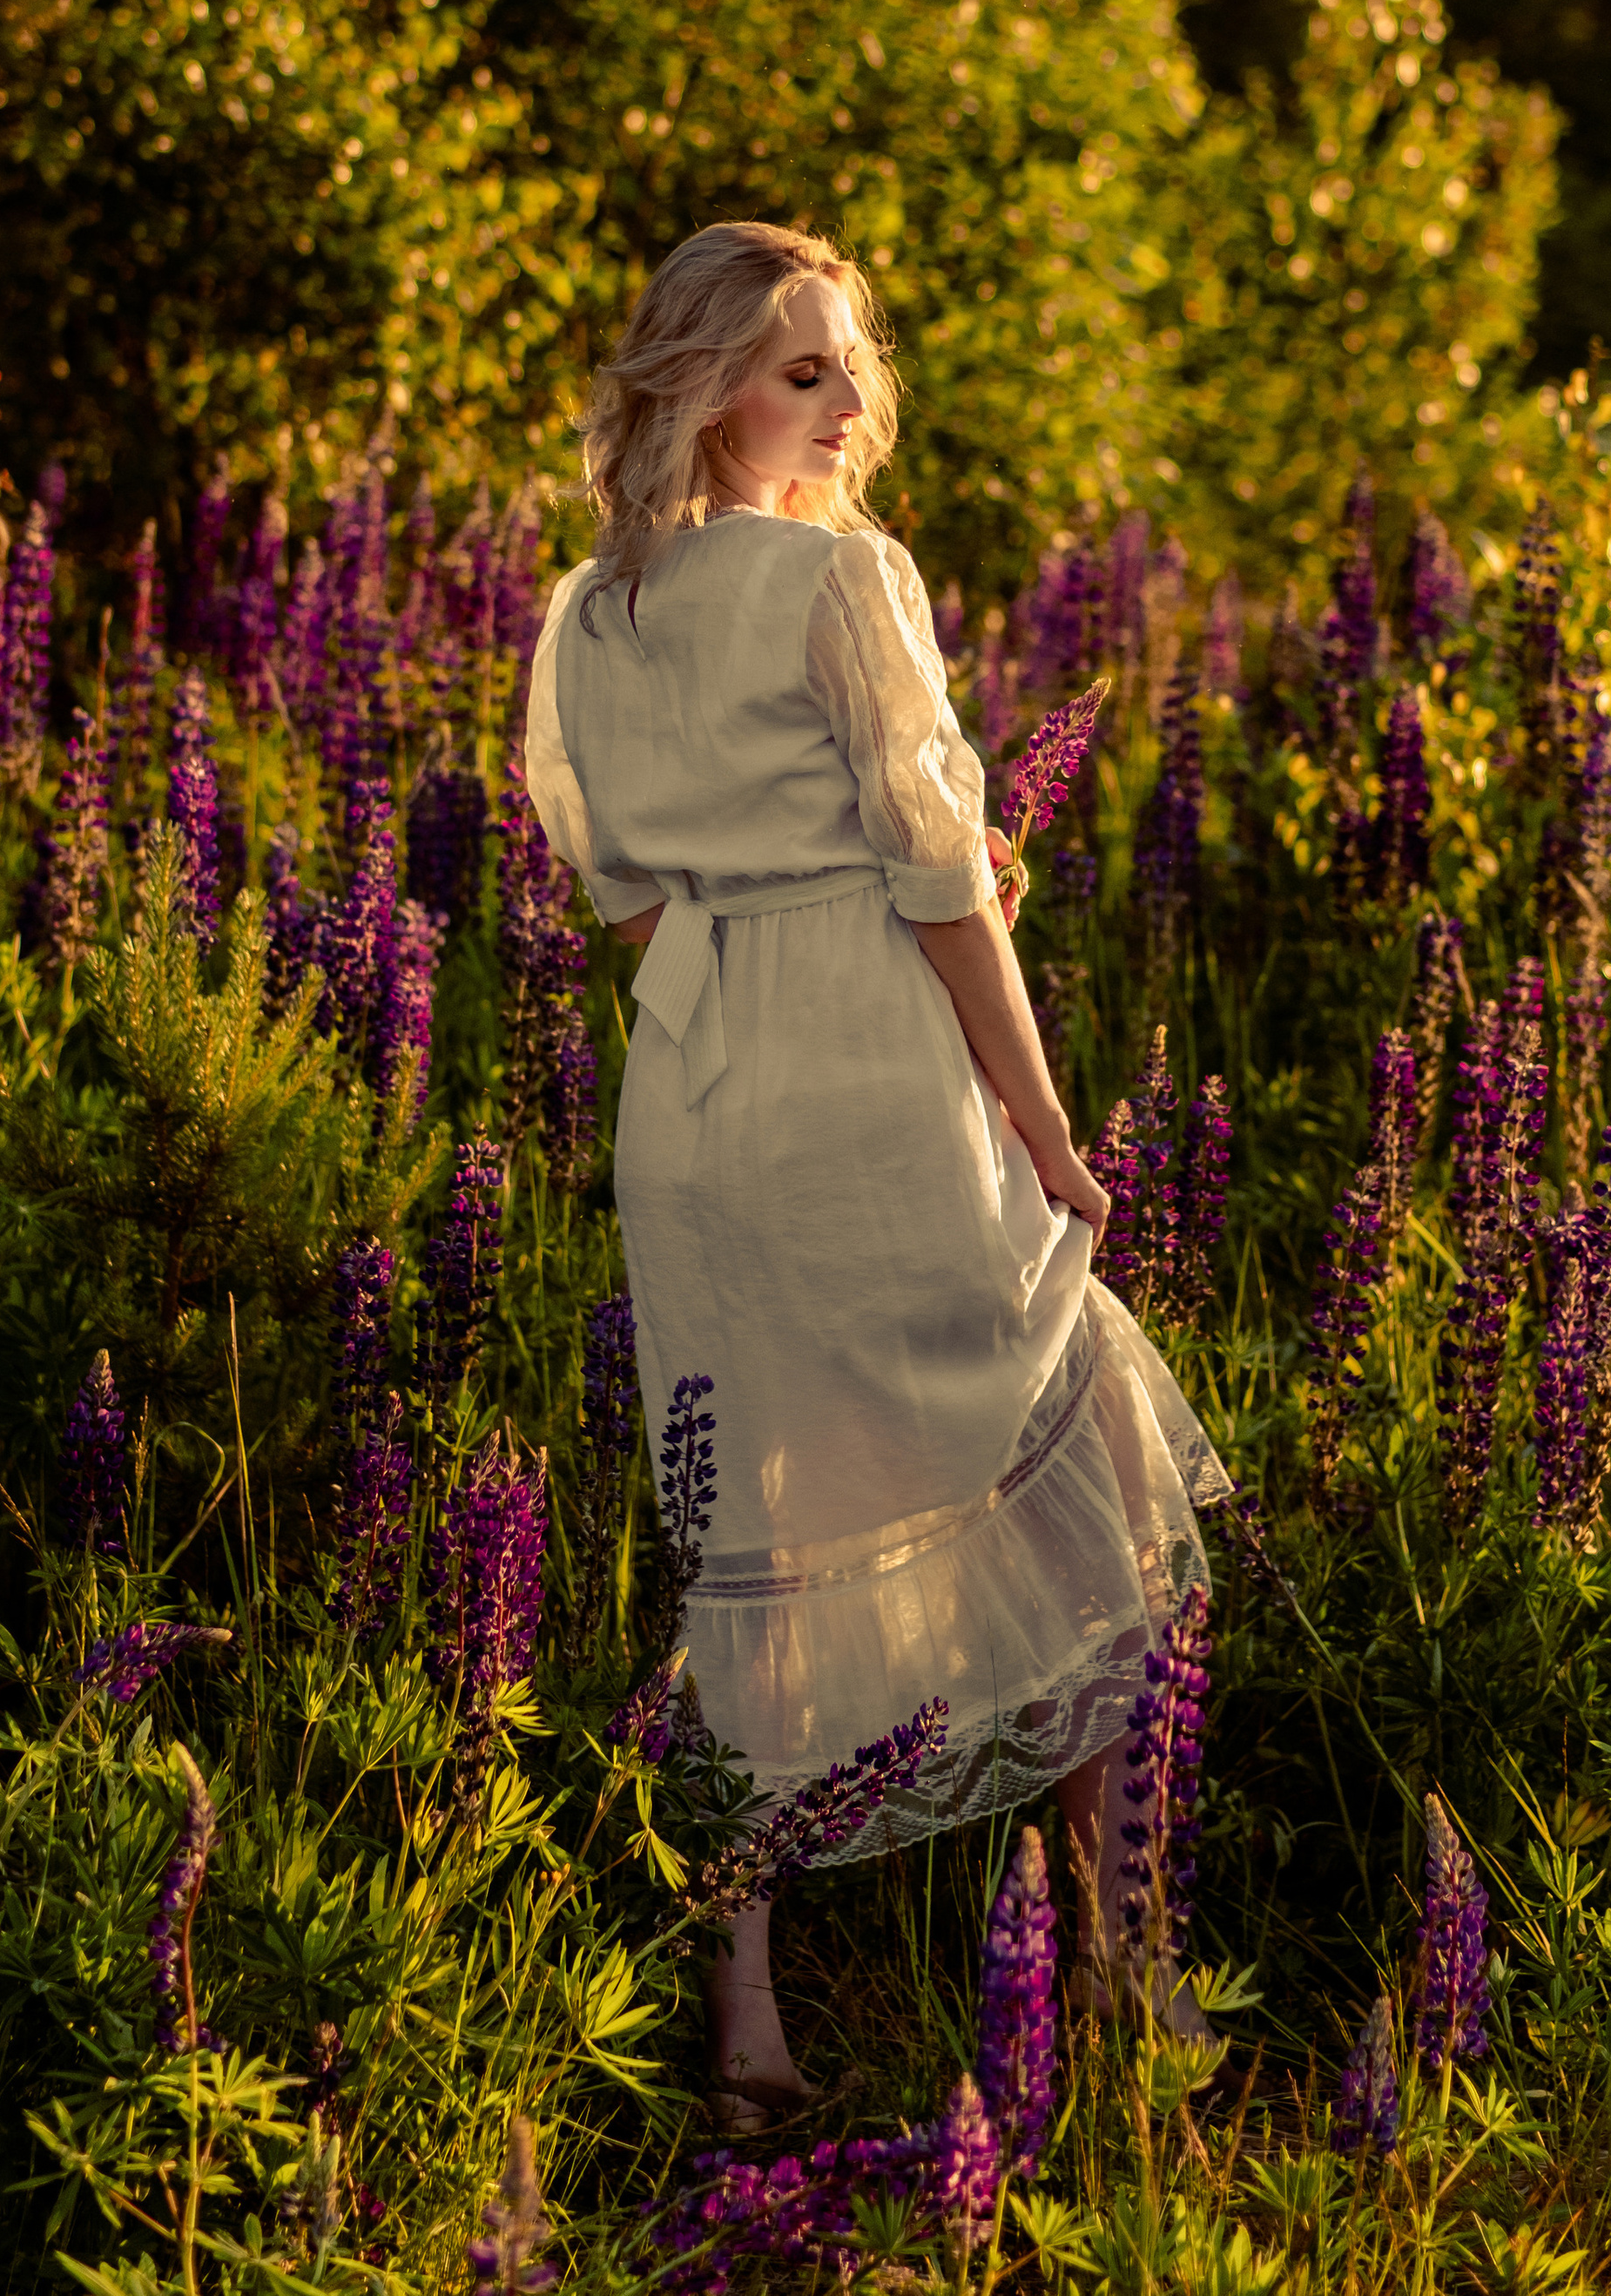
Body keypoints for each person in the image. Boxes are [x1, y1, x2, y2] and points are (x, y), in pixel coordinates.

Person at [524, 219, 1228, 2124]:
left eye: (847, 367)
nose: (842, 409)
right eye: (798, 371)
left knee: (749, 1521)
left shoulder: (590, 613)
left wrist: (786, 870)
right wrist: (1045, 1121)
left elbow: (617, 880)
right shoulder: (844, 584)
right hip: (865, 1069)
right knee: (1077, 1470)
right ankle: (1117, 1962)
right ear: (703, 387)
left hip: (692, 1081)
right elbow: (937, 877)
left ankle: (747, 2022)